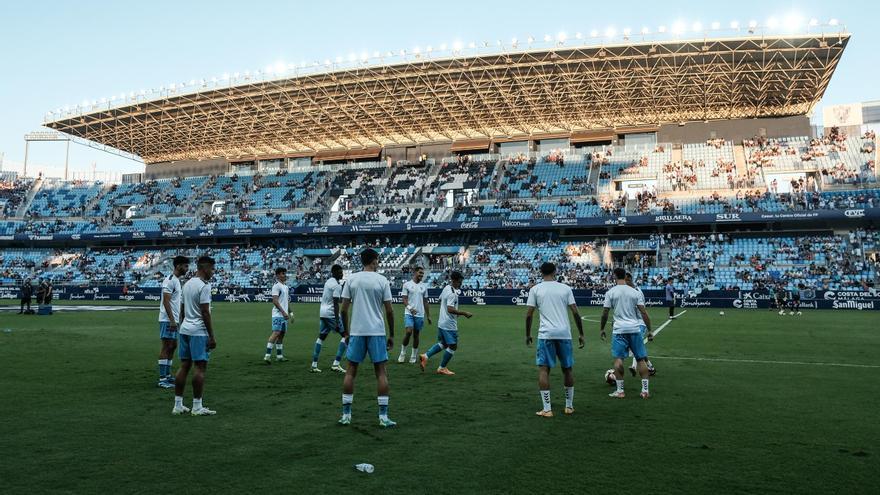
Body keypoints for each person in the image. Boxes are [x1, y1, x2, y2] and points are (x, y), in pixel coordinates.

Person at [338, 249, 396, 428]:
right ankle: (383, 417)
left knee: (350, 371)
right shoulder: (382, 280)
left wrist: (346, 333)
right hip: (377, 331)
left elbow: (343, 310)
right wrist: (392, 334)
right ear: (374, 260)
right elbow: (389, 310)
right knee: (381, 372)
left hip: (357, 331)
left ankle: (346, 415)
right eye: (377, 260)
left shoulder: (352, 279)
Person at [525, 262, 584, 417]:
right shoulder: (565, 288)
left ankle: (547, 409)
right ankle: (569, 407)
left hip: (546, 334)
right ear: (555, 271)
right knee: (567, 369)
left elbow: (529, 314)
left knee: (544, 369)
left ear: (540, 272)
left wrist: (527, 334)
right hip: (564, 334)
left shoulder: (535, 289)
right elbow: (576, 312)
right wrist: (581, 333)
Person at [173, 256, 217, 416]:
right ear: (204, 268)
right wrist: (211, 336)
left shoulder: (187, 284)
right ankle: (197, 406)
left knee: (184, 366)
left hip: (185, 329)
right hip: (198, 331)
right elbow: (205, 312)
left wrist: (184, 325)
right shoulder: (204, 286)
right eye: (212, 268)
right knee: (199, 367)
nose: (213, 272)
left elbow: (183, 310)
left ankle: (178, 404)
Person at [600, 267, 653, 399]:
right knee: (641, 359)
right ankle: (645, 391)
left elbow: (605, 312)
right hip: (635, 329)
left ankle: (620, 391)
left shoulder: (611, 292)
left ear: (614, 276)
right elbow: (643, 312)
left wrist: (602, 329)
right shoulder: (635, 292)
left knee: (618, 360)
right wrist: (650, 330)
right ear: (625, 276)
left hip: (619, 330)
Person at [419, 271, 473, 375]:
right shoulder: (452, 293)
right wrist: (463, 313)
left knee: (443, 343)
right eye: (459, 282)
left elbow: (440, 300)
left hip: (442, 322)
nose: (460, 284)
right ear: (454, 280)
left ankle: (425, 356)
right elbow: (450, 309)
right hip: (449, 324)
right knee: (453, 346)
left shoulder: (446, 288)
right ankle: (442, 368)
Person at [157, 256, 189, 389]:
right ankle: (162, 378)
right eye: (185, 266)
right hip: (167, 320)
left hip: (173, 320)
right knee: (166, 346)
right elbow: (166, 301)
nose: (187, 269)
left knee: (173, 345)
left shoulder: (176, 281)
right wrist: (171, 320)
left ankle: (167, 375)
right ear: (178, 266)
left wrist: (179, 320)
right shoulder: (169, 281)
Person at [311, 264, 347, 373]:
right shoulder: (337, 285)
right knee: (346, 336)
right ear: (334, 273)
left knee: (321, 337)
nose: (342, 274)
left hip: (322, 312)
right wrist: (337, 320)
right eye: (340, 272)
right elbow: (336, 304)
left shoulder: (328, 282)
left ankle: (314, 365)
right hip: (331, 313)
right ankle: (336, 364)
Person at [397, 266, 431, 364]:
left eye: (422, 273)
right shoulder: (407, 285)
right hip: (409, 313)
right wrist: (410, 309)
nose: (421, 275)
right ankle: (402, 353)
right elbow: (404, 299)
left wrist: (428, 315)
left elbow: (425, 301)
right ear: (415, 272)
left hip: (420, 314)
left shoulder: (424, 286)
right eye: (420, 273)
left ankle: (413, 355)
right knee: (408, 331)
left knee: (416, 335)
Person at [625, 272, 655, 376]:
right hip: (632, 322)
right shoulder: (629, 291)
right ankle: (650, 366)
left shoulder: (637, 292)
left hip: (640, 322)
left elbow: (643, 311)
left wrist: (649, 329)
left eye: (624, 280)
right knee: (638, 346)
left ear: (629, 279)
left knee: (635, 345)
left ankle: (634, 366)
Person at [263, 267, 291, 363]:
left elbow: (286, 301)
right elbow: (275, 301)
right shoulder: (276, 286)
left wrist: (290, 312)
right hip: (278, 314)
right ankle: (267, 356)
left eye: (285, 273)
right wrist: (283, 312)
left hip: (284, 314)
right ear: (278, 275)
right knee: (276, 333)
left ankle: (279, 356)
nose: (285, 275)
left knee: (282, 335)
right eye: (283, 273)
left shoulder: (285, 287)